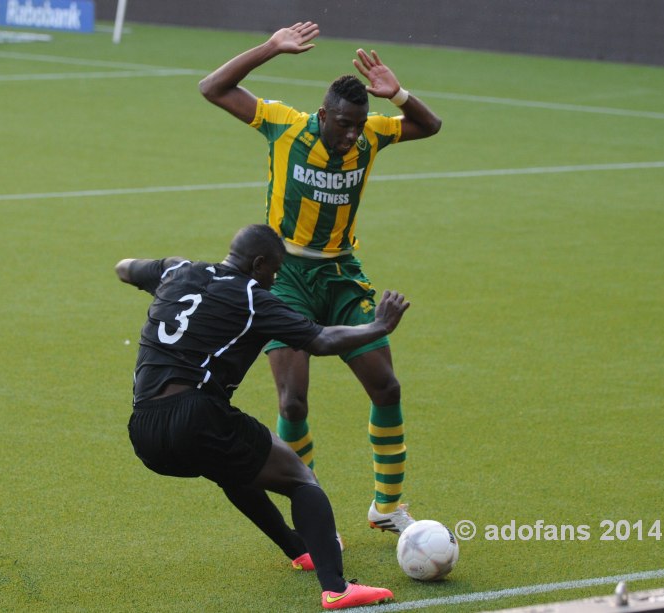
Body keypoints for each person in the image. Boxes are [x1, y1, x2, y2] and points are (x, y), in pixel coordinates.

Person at [199, 22, 442, 534]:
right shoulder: (285, 126)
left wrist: (396, 93)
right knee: (292, 399)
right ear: (324, 114)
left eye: (359, 125)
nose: (353, 135)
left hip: (340, 274)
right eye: (345, 125)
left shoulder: (372, 135)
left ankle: (388, 507)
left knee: (387, 387)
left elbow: (429, 125)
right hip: (283, 276)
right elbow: (213, 88)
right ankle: (312, 510)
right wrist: (270, 47)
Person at [116, 224, 410, 610]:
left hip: (144, 427)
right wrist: (378, 326)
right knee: (301, 478)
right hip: (195, 415)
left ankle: (299, 549)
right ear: (258, 265)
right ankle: (337, 587)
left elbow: (124, 267)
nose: (274, 280)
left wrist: (153, 281)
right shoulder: (254, 297)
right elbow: (320, 340)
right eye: (274, 271)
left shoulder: (177, 271)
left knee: (233, 467)